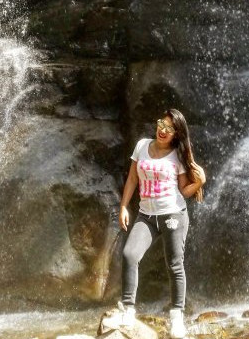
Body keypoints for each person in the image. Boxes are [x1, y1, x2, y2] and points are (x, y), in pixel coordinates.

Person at [102, 109, 207, 339]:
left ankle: (176, 318)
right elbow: (132, 178)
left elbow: (184, 191)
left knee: (175, 265)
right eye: (161, 123)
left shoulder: (178, 156)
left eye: (169, 127)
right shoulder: (141, 146)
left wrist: (200, 181)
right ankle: (128, 309)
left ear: (176, 133)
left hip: (173, 216)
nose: (163, 129)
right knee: (130, 255)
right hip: (146, 216)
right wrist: (123, 206)